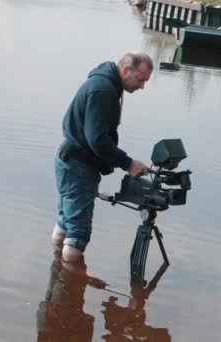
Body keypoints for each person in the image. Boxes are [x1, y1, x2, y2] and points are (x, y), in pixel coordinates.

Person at [52, 52, 153, 261]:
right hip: (78, 166)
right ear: (126, 70)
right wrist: (128, 163)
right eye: (140, 80)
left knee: (65, 223)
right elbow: (97, 139)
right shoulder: (104, 90)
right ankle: (71, 289)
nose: (142, 86)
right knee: (77, 235)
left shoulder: (104, 84)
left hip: (68, 161)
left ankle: (57, 275)